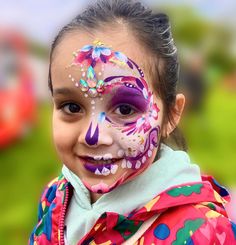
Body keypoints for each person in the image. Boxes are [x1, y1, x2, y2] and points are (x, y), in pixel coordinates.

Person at [29, 0, 236, 244]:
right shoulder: (55, 196)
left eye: (125, 109)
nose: (93, 136)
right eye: (71, 107)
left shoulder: (204, 232)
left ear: (171, 115)